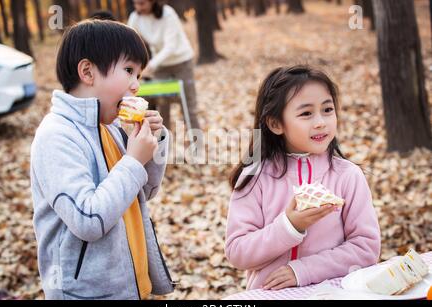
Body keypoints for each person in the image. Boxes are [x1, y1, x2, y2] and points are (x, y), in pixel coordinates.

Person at [30, 20, 175, 300]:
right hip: (86, 293)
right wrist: (133, 160)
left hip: (131, 285)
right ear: (87, 72)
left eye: (139, 75)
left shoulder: (109, 127)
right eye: (129, 71)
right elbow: (88, 220)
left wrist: (154, 143)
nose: (136, 86)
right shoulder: (56, 135)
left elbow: (144, 191)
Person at [225, 65, 381, 291]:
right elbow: (237, 252)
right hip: (271, 295)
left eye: (327, 110)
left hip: (334, 292)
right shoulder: (255, 178)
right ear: (276, 124)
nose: (320, 121)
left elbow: (366, 248)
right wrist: (289, 227)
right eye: (306, 113)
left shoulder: (347, 176)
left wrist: (303, 270)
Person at [128, 0, 201, 131]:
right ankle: (164, 145)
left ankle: (197, 146)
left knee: (189, 107)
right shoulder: (135, 18)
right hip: (161, 67)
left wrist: (150, 66)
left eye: (142, 3)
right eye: (136, 3)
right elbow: (128, 41)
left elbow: (170, 46)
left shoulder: (168, 13)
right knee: (162, 109)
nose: (138, 7)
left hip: (182, 62)